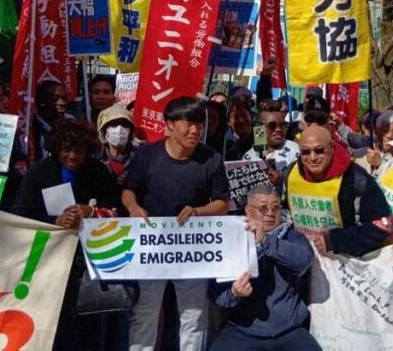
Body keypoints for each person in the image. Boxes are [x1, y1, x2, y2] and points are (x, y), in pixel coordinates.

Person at [121, 97, 230, 351]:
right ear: (169, 125)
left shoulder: (211, 159)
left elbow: (223, 203)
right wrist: (133, 208)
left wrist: (199, 211)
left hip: (192, 250)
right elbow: (128, 190)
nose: (195, 131)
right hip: (151, 249)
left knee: (193, 316)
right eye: (188, 124)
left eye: (199, 124)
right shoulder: (147, 155)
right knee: (145, 312)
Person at [11, 118, 121, 350]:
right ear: (57, 149)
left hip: (87, 263)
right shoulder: (39, 172)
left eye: (78, 151)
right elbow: (20, 214)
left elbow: (116, 210)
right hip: (48, 261)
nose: (72, 156)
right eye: (66, 150)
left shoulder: (98, 171)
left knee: (85, 327)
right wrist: (55, 222)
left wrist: (91, 211)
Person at [209, 185, 319, 351]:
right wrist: (234, 293)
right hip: (242, 331)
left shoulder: (291, 235)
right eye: (262, 208)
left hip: (289, 330)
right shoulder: (229, 239)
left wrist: (267, 240)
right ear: (248, 210)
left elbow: (304, 260)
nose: (270, 213)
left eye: (275, 208)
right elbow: (216, 293)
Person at [285, 124, 393, 256]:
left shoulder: (356, 178)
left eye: (319, 150)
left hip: (345, 262)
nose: (312, 157)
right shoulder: (290, 174)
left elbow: (381, 225)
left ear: (331, 147)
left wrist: (335, 240)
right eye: (305, 152)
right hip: (304, 258)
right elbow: (283, 213)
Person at [244, 100, 301, 195]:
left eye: (283, 125)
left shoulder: (295, 150)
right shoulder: (248, 157)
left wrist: (283, 178)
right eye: (272, 126)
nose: (278, 129)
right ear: (259, 128)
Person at [29, 80, 73, 162]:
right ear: (42, 102)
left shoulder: (71, 124)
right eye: (55, 99)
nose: (61, 103)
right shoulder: (29, 125)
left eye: (64, 98)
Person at [360, 110, 393, 178]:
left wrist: (380, 163)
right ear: (378, 131)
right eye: (385, 130)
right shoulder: (368, 149)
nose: (389, 135)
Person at [96, 104, 136, 185]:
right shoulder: (94, 158)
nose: (119, 129)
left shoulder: (141, 159)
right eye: (114, 125)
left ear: (131, 132)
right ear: (104, 132)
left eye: (124, 125)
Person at [225, 95, 255, 161]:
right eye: (235, 117)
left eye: (244, 115)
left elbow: (264, 157)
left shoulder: (260, 133)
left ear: (250, 115)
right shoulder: (226, 143)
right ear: (228, 122)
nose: (241, 120)